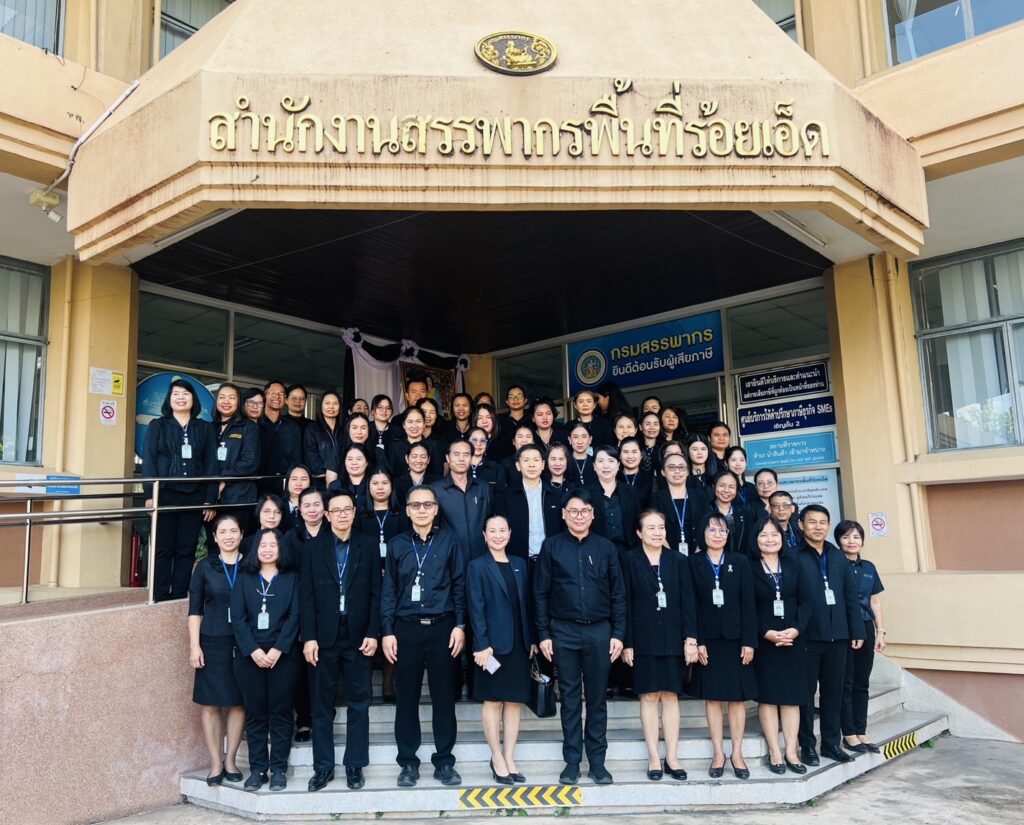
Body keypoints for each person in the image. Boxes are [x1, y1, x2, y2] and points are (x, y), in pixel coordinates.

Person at [534, 489, 627, 785]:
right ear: (563, 514)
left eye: (584, 511)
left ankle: (597, 762)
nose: (579, 516)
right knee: (570, 699)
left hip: (600, 631)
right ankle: (572, 761)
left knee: (597, 699)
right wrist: (544, 634)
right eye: (573, 511)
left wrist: (619, 634)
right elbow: (540, 593)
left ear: (593, 514)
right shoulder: (551, 547)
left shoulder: (605, 547)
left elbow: (618, 594)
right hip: (563, 631)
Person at [380, 485, 467, 788]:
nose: (421, 510)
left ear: (436, 509)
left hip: (443, 627)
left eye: (427, 505)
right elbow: (389, 591)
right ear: (407, 510)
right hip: (406, 628)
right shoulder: (397, 545)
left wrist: (460, 625)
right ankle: (408, 762)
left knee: (444, 698)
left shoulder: (449, 541)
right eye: (415, 505)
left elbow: (459, 585)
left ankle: (444, 762)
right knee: (406, 699)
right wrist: (387, 631)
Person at [301, 490, 381, 791]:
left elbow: (376, 592)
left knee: (359, 702)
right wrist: (309, 638)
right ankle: (322, 768)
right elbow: (306, 596)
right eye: (337, 510)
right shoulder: (313, 547)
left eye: (348, 509)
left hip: (359, 635)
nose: (343, 515)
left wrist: (373, 632)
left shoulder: (368, 545)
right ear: (327, 515)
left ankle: (354, 765)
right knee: (321, 706)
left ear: (354, 512)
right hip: (324, 637)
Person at [621, 510, 698, 781]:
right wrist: (627, 642)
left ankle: (672, 757)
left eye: (661, 527)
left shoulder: (678, 560)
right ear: (639, 532)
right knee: (650, 695)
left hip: (674, 636)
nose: (657, 532)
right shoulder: (629, 559)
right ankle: (654, 756)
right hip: (643, 637)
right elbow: (624, 602)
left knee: (670, 695)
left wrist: (691, 639)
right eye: (651, 528)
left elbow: (688, 601)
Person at [230, 527, 301, 791]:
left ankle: (278, 769)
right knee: (256, 714)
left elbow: (295, 616)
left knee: (281, 713)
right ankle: (258, 769)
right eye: (263, 545)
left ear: (281, 549)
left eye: (273, 545)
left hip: (284, 655)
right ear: (255, 549)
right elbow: (238, 618)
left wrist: (278, 649)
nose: (268, 549)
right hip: (250, 656)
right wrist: (253, 650)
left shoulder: (292, 578)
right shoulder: (244, 578)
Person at [795, 505, 866, 767]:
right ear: (801, 525)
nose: (818, 527)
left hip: (838, 636)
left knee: (833, 692)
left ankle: (831, 744)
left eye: (823, 522)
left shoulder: (837, 556)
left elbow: (850, 595)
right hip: (807, 637)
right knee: (805, 695)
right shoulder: (792, 555)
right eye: (812, 522)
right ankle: (807, 746)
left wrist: (856, 630)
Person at [467, 515, 535, 784]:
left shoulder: (520, 564)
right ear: (484, 536)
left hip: (518, 644)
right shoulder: (477, 566)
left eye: (502, 530)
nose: (498, 535)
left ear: (510, 533)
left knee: (514, 701)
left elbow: (526, 604)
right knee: (493, 701)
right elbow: (476, 607)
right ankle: (496, 757)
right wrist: (481, 644)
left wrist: (531, 639)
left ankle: (509, 757)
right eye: (492, 531)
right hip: (491, 647)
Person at [689, 512, 757, 780]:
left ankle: (737, 753)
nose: (718, 535)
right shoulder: (692, 563)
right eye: (712, 530)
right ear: (702, 534)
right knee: (714, 697)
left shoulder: (739, 562)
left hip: (737, 639)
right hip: (708, 641)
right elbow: (691, 605)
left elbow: (748, 604)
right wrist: (698, 640)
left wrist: (749, 641)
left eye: (722, 530)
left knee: (737, 698)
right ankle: (718, 753)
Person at [142, 379, 218, 601]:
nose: (181, 398)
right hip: (165, 494)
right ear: (169, 399)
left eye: (186, 394)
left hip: (194, 495)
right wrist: (150, 495)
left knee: (187, 548)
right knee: (163, 547)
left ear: (193, 399)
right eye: (176, 394)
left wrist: (210, 499)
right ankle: (159, 594)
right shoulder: (158, 425)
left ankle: (178, 594)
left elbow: (211, 465)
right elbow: (149, 462)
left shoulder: (204, 428)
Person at [751, 517, 813, 775]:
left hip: (793, 639)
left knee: (791, 698)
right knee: (768, 697)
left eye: (774, 534)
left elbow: (806, 601)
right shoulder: (749, 567)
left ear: (782, 538)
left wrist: (796, 629)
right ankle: (775, 751)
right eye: (764, 535)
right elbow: (747, 606)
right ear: (755, 539)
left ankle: (791, 751)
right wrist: (766, 633)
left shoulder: (793, 564)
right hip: (765, 641)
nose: (770, 539)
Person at [188, 513, 246, 786]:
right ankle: (215, 763)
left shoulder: (251, 565)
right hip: (211, 641)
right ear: (215, 537)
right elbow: (194, 610)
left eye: (233, 531)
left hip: (244, 643)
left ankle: (231, 760)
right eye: (222, 532)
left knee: (238, 702)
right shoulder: (205, 567)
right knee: (210, 703)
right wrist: (194, 646)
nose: (228, 536)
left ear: (242, 535)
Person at [355, 469, 409, 703]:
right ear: (368, 487)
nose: (379, 487)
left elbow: (407, 547)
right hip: (366, 580)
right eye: (375, 483)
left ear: (392, 486)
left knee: (390, 628)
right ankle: (364, 684)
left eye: (384, 483)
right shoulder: (360, 515)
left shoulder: (401, 514)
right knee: (367, 627)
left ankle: (388, 684)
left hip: (396, 580)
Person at [837, 520, 887, 755]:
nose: (851, 541)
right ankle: (848, 733)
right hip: (844, 628)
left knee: (862, 682)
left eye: (856, 537)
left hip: (866, 627)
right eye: (846, 537)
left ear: (862, 541)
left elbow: (875, 601)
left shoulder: (869, 567)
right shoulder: (835, 565)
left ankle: (861, 730)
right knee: (845, 682)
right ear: (838, 541)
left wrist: (880, 631)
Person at [496, 444, 563, 561]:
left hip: (552, 560)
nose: (531, 464)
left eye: (536, 460)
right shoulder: (506, 497)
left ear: (543, 464)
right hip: (519, 561)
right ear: (518, 466)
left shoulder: (557, 496)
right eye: (526, 460)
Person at [211, 383, 261, 537]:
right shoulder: (210, 427)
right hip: (213, 498)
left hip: (240, 497)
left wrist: (224, 478)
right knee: (214, 542)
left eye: (231, 398)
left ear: (239, 402)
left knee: (238, 541)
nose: (226, 401)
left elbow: (250, 462)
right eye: (222, 397)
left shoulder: (249, 427)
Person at [649, 451, 703, 556]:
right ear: (663, 472)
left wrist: (698, 553)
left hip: (699, 554)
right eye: (671, 467)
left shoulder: (700, 496)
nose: (677, 471)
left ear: (687, 471)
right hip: (667, 555)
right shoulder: (656, 498)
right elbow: (654, 527)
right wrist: (671, 555)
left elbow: (707, 525)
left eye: (681, 467)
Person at [590, 445, 640, 554]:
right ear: (594, 466)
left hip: (628, 552)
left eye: (611, 461)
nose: (606, 466)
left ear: (618, 465)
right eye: (601, 461)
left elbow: (638, 524)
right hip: (597, 553)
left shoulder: (631, 491)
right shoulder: (586, 493)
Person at [259, 380, 303, 494]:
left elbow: (296, 459)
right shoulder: (255, 424)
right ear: (265, 396)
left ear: (285, 399)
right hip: (257, 484)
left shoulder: (292, 427)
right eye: (273, 393)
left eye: (281, 394)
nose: (277, 397)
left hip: (283, 485)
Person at [709, 470, 755, 560]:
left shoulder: (745, 512)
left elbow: (750, 541)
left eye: (731, 487)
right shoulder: (706, 510)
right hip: (713, 562)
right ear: (714, 486)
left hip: (740, 562)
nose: (726, 490)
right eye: (722, 485)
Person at [387, 407, 445, 477]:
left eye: (418, 421)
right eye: (410, 422)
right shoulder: (395, 447)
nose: (414, 426)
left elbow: (438, 474)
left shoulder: (434, 446)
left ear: (424, 424)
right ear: (404, 425)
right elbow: (390, 475)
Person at [304, 391, 343, 489]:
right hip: (320, 480)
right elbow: (311, 456)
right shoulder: (312, 429)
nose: (331, 407)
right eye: (327, 403)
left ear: (340, 407)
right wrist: (329, 473)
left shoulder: (345, 429)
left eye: (335, 403)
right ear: (321, 406)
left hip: (342, 479)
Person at [334, 444, 372, 512]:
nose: (354, 463)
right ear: (344, 462)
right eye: (350, 459)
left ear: (366, 462)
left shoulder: (374, 485)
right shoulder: (335, 486)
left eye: (359, 459)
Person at [280, 464, 312, 534]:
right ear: (287, 482)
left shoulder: (316, 507)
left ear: (310, 483)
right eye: (294, 479)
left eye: (303, 479)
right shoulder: (278, 506)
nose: (299, 483)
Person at [567, 422, 597, 488]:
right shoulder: (564, 462)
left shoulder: (596, 462)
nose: (580, 441)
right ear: (569, 440)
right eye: (575, 437)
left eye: (584, 437)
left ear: (590, 439)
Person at [368, 394, 396, 459]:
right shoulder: (366, 428)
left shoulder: (398, 431)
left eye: (388, 408)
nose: (384, 411)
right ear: (372, 411)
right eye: (380, 407)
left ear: (391, 411)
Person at [639, 412, 663, 476]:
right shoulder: (636, 448)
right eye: (648, 424)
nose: (652, 427)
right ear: (640, 427)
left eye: (655, 424)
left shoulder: (664, 448)